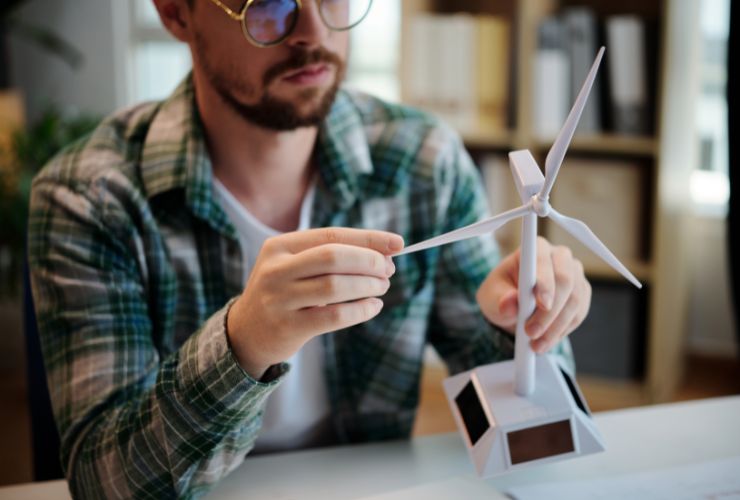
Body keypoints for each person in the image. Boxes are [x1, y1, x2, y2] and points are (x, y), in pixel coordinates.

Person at [27, 0, 591, 497]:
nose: (313, 32)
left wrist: (523, 324)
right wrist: (243, 343)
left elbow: (530, 430)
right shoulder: (91, 197)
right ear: (176, 12)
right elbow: (104, 484)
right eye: (268, 5)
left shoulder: (422, 161)